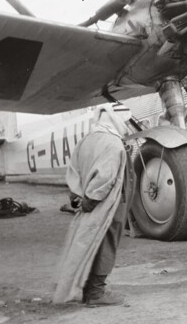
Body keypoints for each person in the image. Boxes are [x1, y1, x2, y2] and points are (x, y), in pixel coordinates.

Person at [54, 104, 135, 306]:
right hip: (107, 203)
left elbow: (73, 171)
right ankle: (95, 293)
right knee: (106, 244)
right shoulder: (113, 144)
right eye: (124, 122)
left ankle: (82, 289)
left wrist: (77, 197)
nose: (125, 127)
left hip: (86, 202)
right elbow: (105, 178)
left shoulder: (85, 141)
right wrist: (91, 200)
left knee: (86, 243)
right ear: (115, 121)